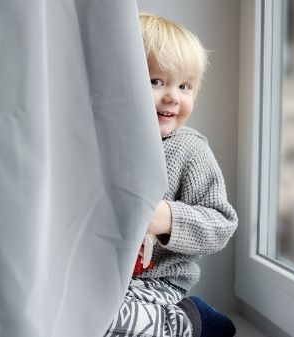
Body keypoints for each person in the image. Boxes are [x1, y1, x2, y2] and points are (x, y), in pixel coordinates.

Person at [104, 13, 238, 337]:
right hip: (103, 278)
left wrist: (167, 217)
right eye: (156, 81)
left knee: (103, 321)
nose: (172, 96)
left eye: (184, 86)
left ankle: (193, 321)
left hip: (159, 284)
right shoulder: (106, 143)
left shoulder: (190, 151)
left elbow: (221, 224)